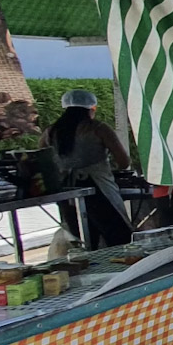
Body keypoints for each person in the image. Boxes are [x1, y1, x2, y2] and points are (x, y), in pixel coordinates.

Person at [44, 89, 133, 249]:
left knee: (83, 241)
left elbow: (42, 159)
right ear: (90, 109)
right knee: (120, 238)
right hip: (98, 188)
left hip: (67, 191)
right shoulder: (98, 128)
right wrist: (112, 168)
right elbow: (124, 161)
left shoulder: (51, 132)